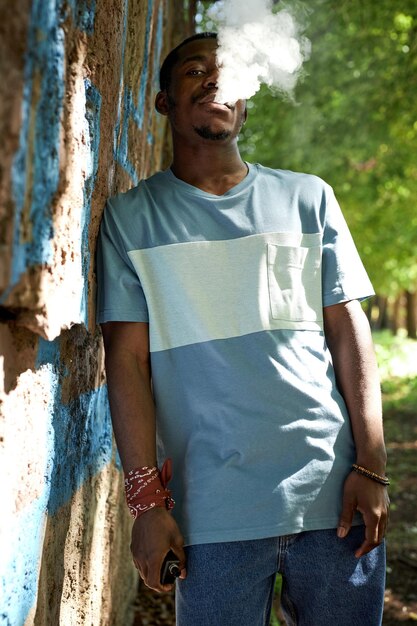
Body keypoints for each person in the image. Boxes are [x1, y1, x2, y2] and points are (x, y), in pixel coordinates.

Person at [96, 32, 389, 626]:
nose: (213, 79)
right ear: (163, 104)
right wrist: (146, 502)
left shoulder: (309, 197)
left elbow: (348, 330)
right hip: (210, 514)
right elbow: (126, 364)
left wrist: (371, 465)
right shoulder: (130, 220)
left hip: (331, 497)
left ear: (246, 100)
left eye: (227, 72)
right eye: (193, 72)